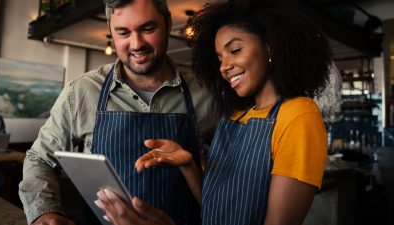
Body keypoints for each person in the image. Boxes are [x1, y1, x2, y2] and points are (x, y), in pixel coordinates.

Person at [95, 1, 331, 225]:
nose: (224, 66)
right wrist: (187, 163)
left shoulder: (299, 116)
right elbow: (213, 204)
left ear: (269, 45)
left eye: (235, 50)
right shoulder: (236, 114)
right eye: (219, 58)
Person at [18, 0, 218, 224]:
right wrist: (45, 212)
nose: (136, 44)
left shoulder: (206, 94)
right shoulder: (81, 92)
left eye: (147, 29)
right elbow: (40, 159)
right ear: (111, 32)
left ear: (168, 23)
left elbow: (227, 175)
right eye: (123, 32)